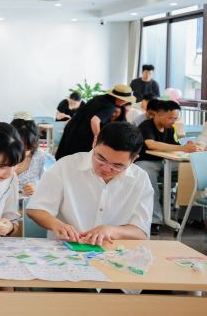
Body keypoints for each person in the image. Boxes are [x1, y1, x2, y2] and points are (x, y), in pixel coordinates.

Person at [28, 122, 154, 246]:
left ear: (134, 159)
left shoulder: (140, 179)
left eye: (117, 166)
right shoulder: (66, 166)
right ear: (94, 142)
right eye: (101, 158)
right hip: (66, 248)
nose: (106, 168)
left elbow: (141, 232)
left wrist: (111, 231)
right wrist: (57, 225)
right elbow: (36, 209)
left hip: (113, 251)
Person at [137, 101, 202, 229]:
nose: (173, 121)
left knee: (191, 171)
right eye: (170, 118)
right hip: (147, 162)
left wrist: (187, 146)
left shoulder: (170, 129)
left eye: (175, 118)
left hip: (167, 162)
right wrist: (182, 148)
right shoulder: (146, 126)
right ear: (158, 114)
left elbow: (175, 146)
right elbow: (151, 144)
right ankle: (154, 220)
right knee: (147, 175)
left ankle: (189, 217)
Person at [55, 84, 136, 160]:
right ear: (121, 99)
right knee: (78, 160)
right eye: (125, 100)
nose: (125, 103)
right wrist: (98, 138)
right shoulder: (110, 107)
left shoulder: (99, 98)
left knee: (67, 158)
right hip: (83, 135)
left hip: (73, 128)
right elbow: (94, 120)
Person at [11, 113, 55, 197]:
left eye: (27, 147)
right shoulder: (3, 157)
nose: (23, 150)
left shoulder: (43, 159)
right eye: (19, 145)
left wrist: (38, 188)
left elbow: (54, 188)